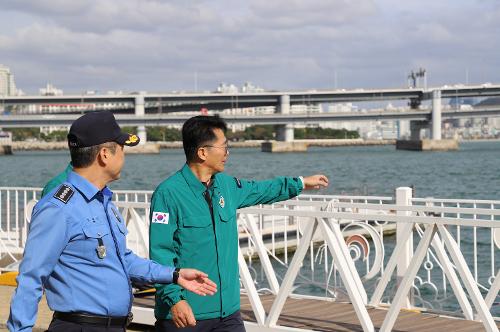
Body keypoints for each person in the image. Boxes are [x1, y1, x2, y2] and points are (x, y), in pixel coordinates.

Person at [8, 111, 217, 332]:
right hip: (80, 326)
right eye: (122, 149)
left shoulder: (103, 201)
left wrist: (174, 275)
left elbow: (122, 260)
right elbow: (31, 278)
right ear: (105, 154)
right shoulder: (59, 207)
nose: (124, 157)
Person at [150, 115, 329, 331]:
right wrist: (174, 300)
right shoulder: (168, 193)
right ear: (202, 152)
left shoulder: (226, 186)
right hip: (186, 312)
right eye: (223, 147)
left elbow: (262, 189)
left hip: (228, 312)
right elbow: (161, 254)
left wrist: (300, 183)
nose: (227, 153)